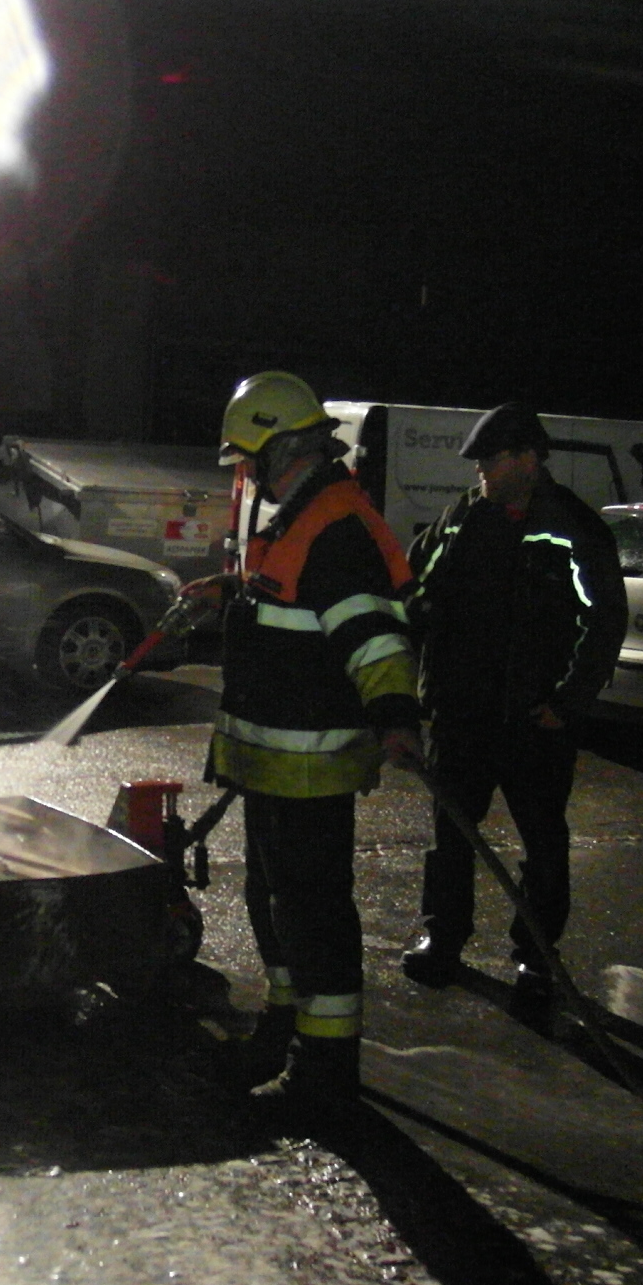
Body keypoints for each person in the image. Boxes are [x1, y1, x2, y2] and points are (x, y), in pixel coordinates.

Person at [185, 371, 423, 1120]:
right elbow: (291, 604)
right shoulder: (300, 518)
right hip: (274, 768)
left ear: (283, 448)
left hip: (310, 771)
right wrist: (231, 593)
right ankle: (282, 1031)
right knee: (275, 908)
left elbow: (373, 637)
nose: (246, 473)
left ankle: (325, 1076)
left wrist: (396, 716)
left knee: (315, 921)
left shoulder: (338, 528)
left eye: (249, 459)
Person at [400, 402, 627, 1026]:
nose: (480, 472)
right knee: (451, 835)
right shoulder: (461, 519)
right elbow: (413, 590)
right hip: (462, 715)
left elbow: (604, 622)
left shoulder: (574, 528)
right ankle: (443, 937)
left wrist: (567, 702)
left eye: (491, 460)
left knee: (543, 842)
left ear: (529, 458)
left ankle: (536, 958)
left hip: (536, 723)